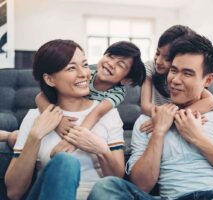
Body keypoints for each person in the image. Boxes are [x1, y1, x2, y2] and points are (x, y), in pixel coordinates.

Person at [88, 34, 213, 200]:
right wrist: (158, 132)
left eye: (187, 73)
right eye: (173, 70)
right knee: (106, 187)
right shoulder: (147, 121)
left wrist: (197, 138)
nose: (175, 80)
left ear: (208, 80)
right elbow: (141, 186)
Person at [4, 39, 129, 200]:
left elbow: (116, 181)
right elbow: (14, 193)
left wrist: (101, 149)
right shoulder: (35, 117)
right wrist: (35, 137)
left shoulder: (109, 114)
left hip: (97, 196)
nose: (84, 73)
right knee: (65, 162)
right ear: (50, 79)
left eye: (84, 64)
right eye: (71, 68)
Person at [0, 41, 146, 153]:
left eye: (120, 64)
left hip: (86, 122)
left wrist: (70, 141)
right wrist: (57, 122)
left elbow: (96, 113)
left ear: (125, 80)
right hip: (63, 115)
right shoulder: (86, 73)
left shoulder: (117, 93)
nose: (111, 63)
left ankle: (11, 136)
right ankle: (8, 135)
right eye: (110, 56)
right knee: (16, 139)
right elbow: (40, 97)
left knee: (19, 139)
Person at [140, 25, 213, 133]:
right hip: (157, 116)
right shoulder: (150, 67)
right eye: (157, 53)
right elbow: (145, 106)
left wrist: (172, 118)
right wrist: (164, 118)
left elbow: (211, 102)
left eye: (167, 58)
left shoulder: (188, 79)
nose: (158, 61)